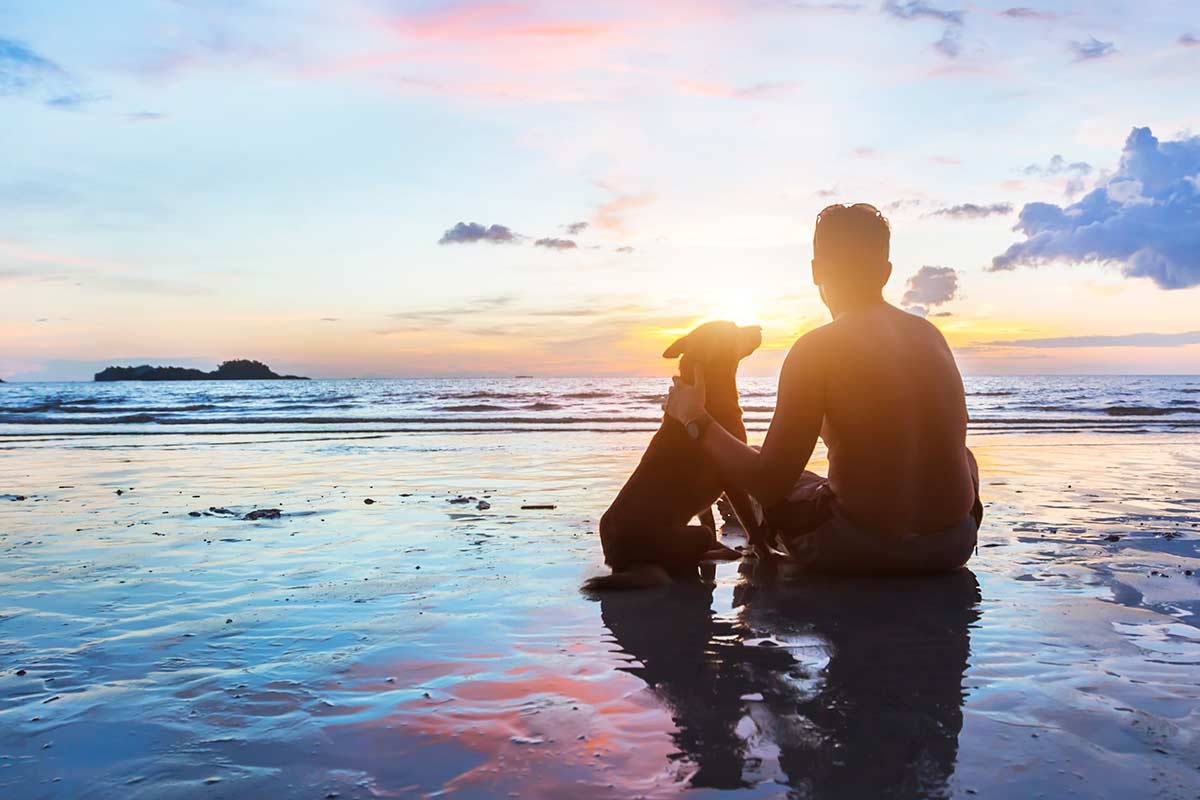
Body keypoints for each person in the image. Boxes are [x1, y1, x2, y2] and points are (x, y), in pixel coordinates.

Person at [664, 203, 981, 576]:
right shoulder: (931, 336)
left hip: (855, 549)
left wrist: (694, 418)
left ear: (817, 272)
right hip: (952, 543)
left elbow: (769, 483)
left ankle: (747, 525)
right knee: (966, 457)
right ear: (886, 272)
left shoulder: (816, 349)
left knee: (756, 470)